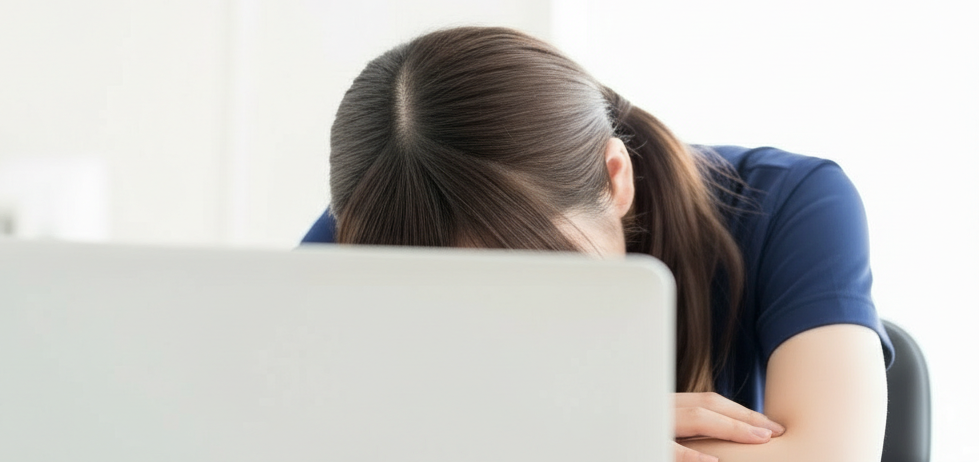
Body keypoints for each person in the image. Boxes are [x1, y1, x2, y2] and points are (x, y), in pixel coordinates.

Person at [302, 27, 892, 462]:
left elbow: (829, 456)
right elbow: (280, 432)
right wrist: (575, 436)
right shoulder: (385, 228)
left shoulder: (791, 202)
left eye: (538, 274)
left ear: (616, 178)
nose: (512, 327)